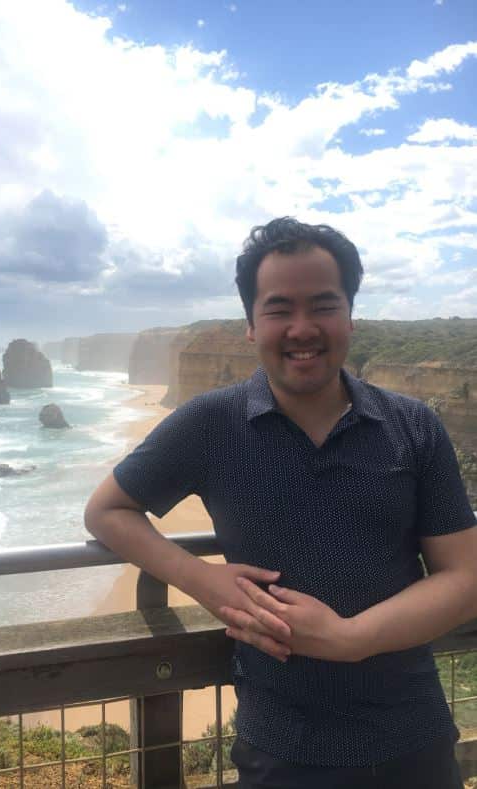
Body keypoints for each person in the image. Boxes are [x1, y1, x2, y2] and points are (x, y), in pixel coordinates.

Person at [85, 217, 477, 788]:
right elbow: (106, 511)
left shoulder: (412, 426)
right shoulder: (210, 424)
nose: (302, 328)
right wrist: (203, 580)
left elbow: (465, 575)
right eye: (278, 309)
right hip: (281, 751)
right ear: (250, 325)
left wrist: (350, 639)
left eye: (323, 305)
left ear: (349, 316)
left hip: (414, 741)